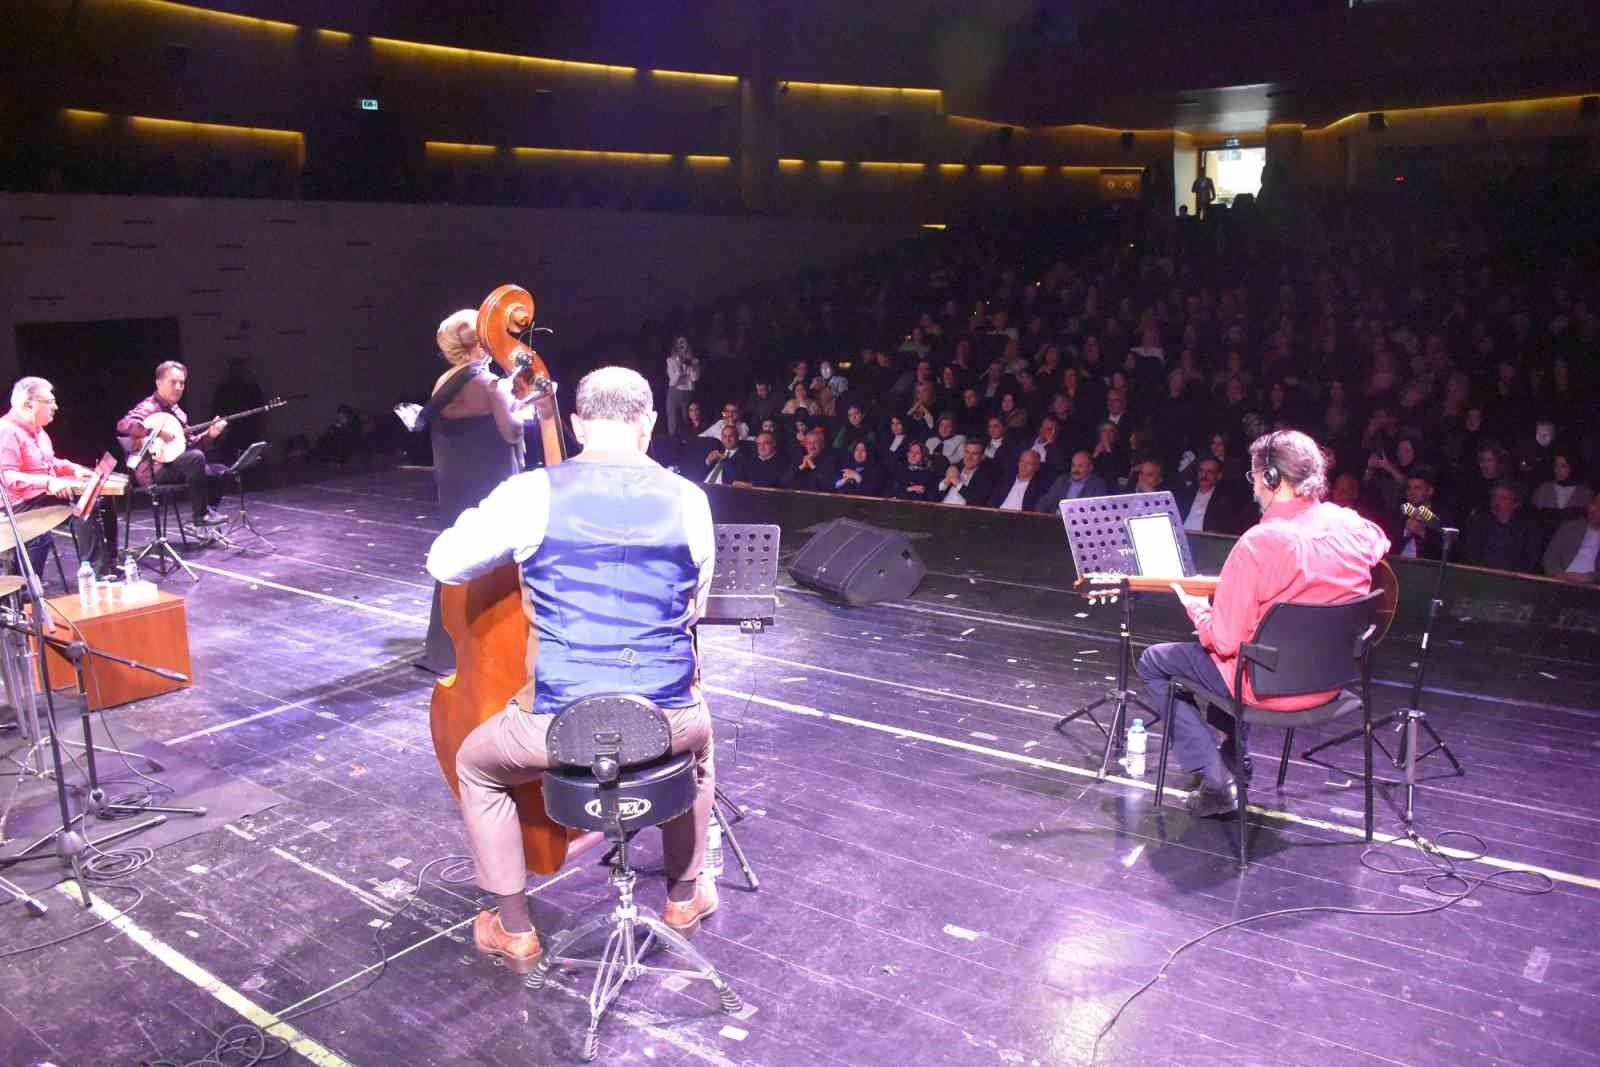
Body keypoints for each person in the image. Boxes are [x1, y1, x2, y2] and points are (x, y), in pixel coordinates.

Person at [426, 366, 717, 973]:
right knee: (700, 745)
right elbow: (697, 609)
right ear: (649, 424)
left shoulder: (532, 493)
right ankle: (685, 899)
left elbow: (446, 562)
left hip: (559, 724)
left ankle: (514, 931)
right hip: (664, 716)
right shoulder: (690, 499)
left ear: (579, 424)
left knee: (476, 767)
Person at [1137, 430, 1390, 817]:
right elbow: (1379, 543)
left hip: (1267, 688)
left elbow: (1224, 640)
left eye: (1255, 476)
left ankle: (1218, 777)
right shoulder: (1352, 525)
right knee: (1249, 637)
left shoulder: (1258, 543)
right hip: (1328, 685)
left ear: (1271, 478)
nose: (1253, 484)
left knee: (1159, 661)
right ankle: (1234, 757)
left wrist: (1197, 608)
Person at [410, 310, 530, 675]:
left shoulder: (446, 379)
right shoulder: (487, 383)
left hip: (457, 481)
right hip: (487, 480)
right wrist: (523, 404)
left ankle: (447, 647)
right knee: (494, 555)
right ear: (480, 342)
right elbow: (510, 432)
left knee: (460, 551)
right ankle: (490, 642)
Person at [0, 377, 110, 577]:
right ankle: (93, 574)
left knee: (91, 498)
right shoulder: (6, 431)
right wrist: (49, 482)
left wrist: (73, 469)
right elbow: (7, 477)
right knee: (82, 500)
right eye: (49, 401)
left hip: (40, 498)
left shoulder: (39, 431)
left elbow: (48, 463)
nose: (56, 406)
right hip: (17, 505)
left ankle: (98, 572)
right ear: (29, 403)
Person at [116, 361, 228, 533]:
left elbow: (189, 446)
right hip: (153, 471)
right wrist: (156, 432)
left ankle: (204, 517)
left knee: (220, 471)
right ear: (159, 383)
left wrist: (209, 434)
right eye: (173, 382)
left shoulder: (178, 413)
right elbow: (124, 425)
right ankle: (201, 515)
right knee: (196, 458)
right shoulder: (148, 407)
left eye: (181, 383)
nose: (178, 387)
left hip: (174, 466)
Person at [1460, 481, 1542, 573]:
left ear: (1516, 503)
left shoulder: (1528, 528)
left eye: (1503, 498)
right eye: (1494, 497)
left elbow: (1529, 559)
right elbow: (1470, 553)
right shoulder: (1479, 522)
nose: (1496, 502)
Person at [1542, 497, 1600, 584]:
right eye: (1593, 504)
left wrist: (1589, 578)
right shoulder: (1570, 527)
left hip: (1592, 586)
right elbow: (1549, 558)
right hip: (1560, 580)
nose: (1593, 509)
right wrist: (1558, 575)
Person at [1037, 450, 1109, 515]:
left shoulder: (1097, 484)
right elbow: (1046, 500)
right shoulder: (1062, 480)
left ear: (1090, 468)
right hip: (1056, 520)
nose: (1075, 470)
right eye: (1073, 465)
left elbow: (1098, 510)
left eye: (1080, 466)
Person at [938, 440, 999, 507]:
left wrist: (957, 482)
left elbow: (978, 501)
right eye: (967, 452)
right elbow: (934, 495)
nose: (969, 457)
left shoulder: (987, 475)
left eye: (974, 454)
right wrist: (946, 481)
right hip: (940, 507)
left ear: (982, 457)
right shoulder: (955, 467)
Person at [664, 336, 700, 436]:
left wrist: (691, 365)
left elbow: (695, 378)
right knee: (673, 422)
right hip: (674, 393)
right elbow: (673, 381)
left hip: (688, 393)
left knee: (687, 421)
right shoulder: (670, 361)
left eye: (684, 343)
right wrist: (680, 366)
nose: (682, 346)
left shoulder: (694, 361)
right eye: (679, 343)